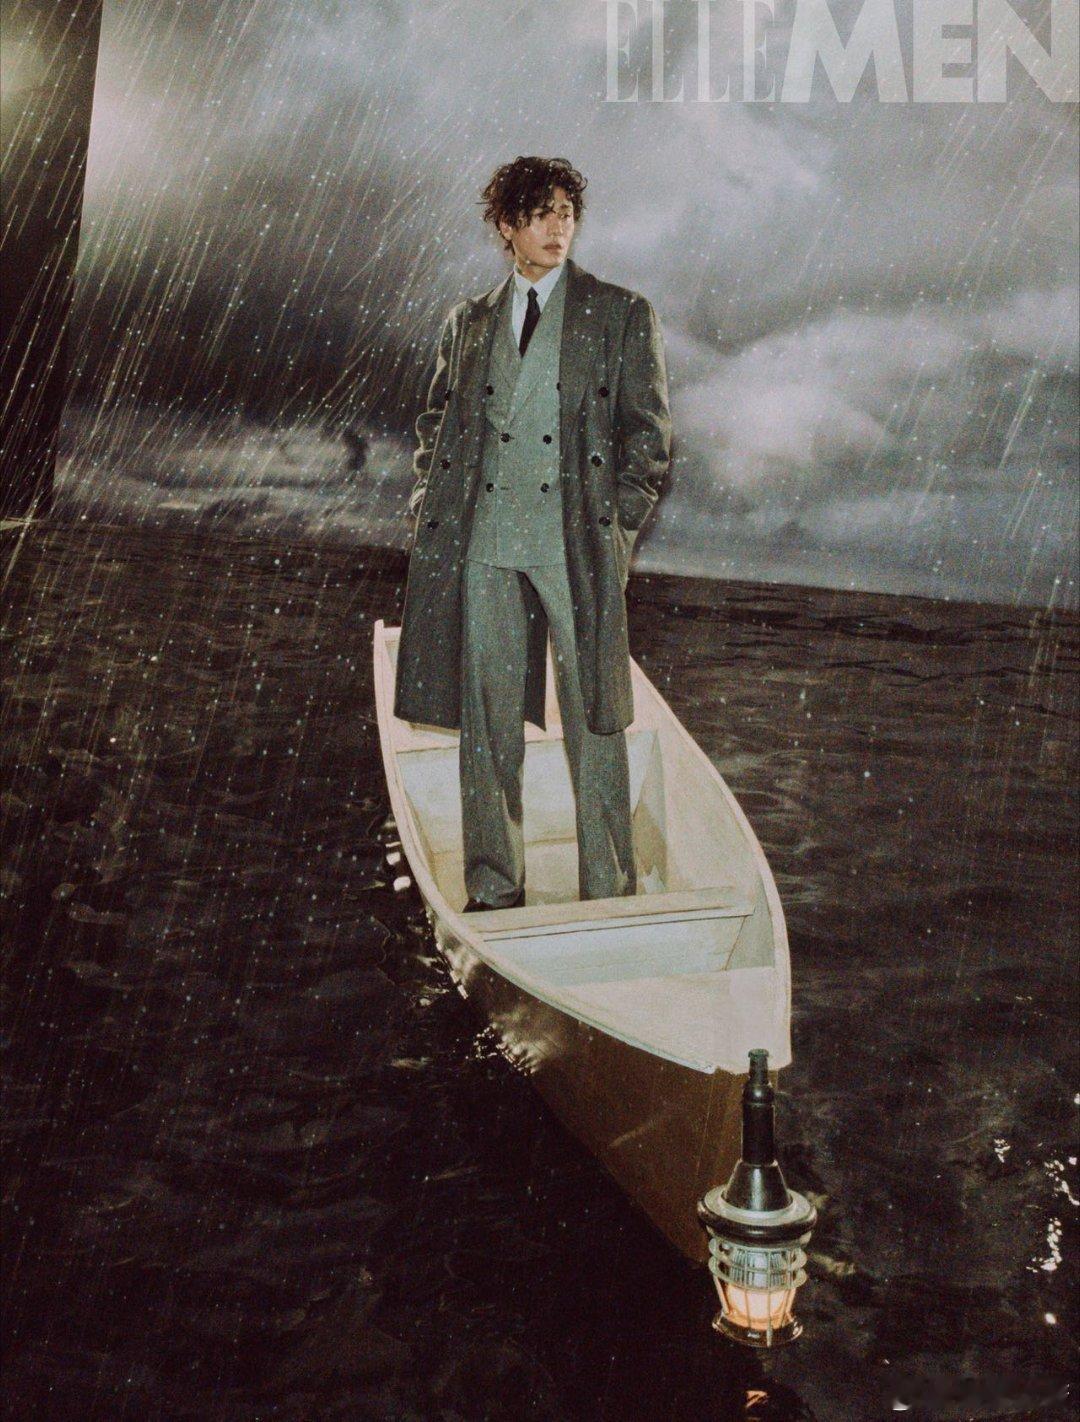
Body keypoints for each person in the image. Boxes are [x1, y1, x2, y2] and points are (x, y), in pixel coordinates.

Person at [393, 155, 672, 911]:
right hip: (484, 539)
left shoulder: (619, 313)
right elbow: (438, 423)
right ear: (508, 227)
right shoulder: (469, 321)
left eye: (567, 213)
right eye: (541, 214)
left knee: (595, 717)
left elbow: (648, 439)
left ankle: (608, 888)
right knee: (486, 721)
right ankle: (493, 884)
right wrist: (426, 500)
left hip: (573, 541)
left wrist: (616, 529)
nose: (558, 227)